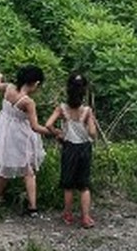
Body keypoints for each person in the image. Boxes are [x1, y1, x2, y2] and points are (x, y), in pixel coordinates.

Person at [0, 66, 62, 217]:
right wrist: (54, 132)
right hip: (22, 137)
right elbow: (35, 127)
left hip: (4, 133)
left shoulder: (8, 88)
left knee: (2, 164)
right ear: (35, 83)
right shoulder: (28, 102)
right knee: (28, 171)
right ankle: (32, 207)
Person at [45, 73, 99, 228]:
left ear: (68, 89)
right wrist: (91, 122)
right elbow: (93, 134)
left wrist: (58, 134)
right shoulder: (87, 111)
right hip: (84, 149)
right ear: (84, 91)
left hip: (69, 147)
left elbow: (48, 124)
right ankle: (86, 218)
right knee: (84, 185)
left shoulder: (62, 108)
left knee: (68, 185)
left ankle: (68, 215)